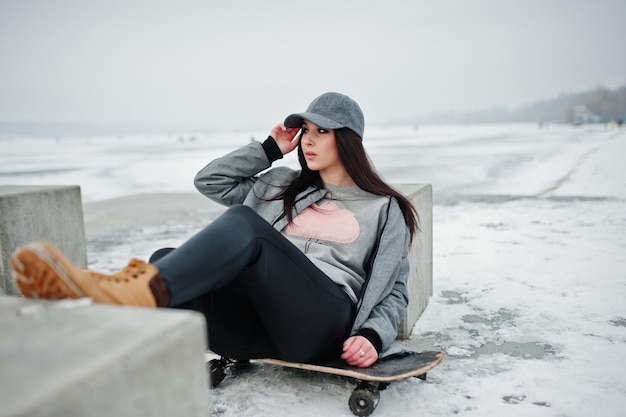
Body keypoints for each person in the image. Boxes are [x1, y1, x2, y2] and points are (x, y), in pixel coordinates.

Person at [11, 92, 418, 369]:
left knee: (246, 225)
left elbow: (395, 289)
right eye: (305, 131)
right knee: (166, 261)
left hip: (320, 326)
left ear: (347, 140)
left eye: (320, 132)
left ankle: (129, 291)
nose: (308, 141)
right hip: (259, 331)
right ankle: (97, 312)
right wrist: (269, 149)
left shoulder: (383, 208)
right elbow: (211, 181)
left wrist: (373, 334)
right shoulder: (278, 184)